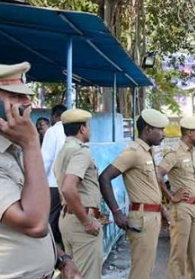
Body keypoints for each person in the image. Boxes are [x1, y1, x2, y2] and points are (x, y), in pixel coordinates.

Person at [0, 61, 80, 279]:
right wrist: (32, 142)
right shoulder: (25, 146)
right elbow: (35, 224)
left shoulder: (14, 150)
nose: (28, 103)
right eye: (16, 96)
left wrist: (61, 257)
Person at [99, 109, 171, 279]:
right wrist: (116, 212)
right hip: (142, 218)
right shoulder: (133, 151)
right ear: (147, 129)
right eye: (160, 129)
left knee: (146, 268)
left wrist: (162, 209)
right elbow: (105, 177)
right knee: (141, 271)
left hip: (151, 215)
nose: (164, 134)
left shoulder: (147, 151)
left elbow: (147, 188)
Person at [54, 108, 103, 279]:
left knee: (72, 273)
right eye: (88, 126)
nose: (90, 130)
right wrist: (87, 221)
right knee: (86, 275)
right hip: (81, 223)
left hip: (68, 218)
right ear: (82, 129)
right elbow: (68, 188)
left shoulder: (63, 151)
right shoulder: (81, 151)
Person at [156, 115, 195, 279]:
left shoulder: (192, 151)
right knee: (179, 254)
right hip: (181, 208)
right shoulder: (175, 153)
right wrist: (170, 196)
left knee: (193, 254)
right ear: (189, 133)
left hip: (194, 207)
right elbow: (157, 174)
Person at [41, 104, 67, 247]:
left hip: (52, 183)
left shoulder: (52, 131)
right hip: (69, 183)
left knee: (52, 218)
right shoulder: (71, 130)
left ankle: (52, 249)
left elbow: (46, 159)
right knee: (66, 216)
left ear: (55, 116)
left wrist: (39, 183)